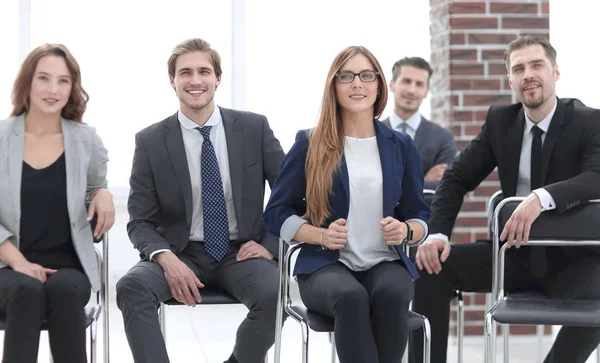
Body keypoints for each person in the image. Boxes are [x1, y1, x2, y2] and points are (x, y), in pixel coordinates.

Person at [409, 35, 600, 363]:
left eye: (537, 65)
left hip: (573, 261)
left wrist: (541, 197)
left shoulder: (588, 120)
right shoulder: (500, 121)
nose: (528, 74)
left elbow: (596, 177)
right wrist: (437, 233)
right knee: (430, 267)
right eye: (519, 68)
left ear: (555, 72)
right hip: (513, 256)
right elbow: (455, 178)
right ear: (510, 79)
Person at [116, 38, 285, 363]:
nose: (195, 81)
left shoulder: (254, 128)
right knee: (131, 287)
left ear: (218, 78)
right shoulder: (150, 141)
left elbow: (290, 195)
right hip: (180, 252)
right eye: (186, 72)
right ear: (172, 80)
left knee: (276, 291)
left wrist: (270, 244)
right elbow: (140, 221)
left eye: (204, 71)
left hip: (242, 252)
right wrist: (166, 258)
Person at [263, 45, 431, 363]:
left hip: (385, 262)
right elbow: (275, 214)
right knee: (350, 297)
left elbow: (420, 214)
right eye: (347, 76)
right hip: (325, 266)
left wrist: (407, 231)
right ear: (334, 86)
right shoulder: (309, 143)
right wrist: (320, 235)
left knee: (394, 293)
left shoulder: (401, 146)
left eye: (367, 75)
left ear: (380, 85)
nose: (358, 83)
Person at [0, 43, 114, 363]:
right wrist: (20, 263)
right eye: (44, 78)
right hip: (7, 264)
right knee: (27, 290)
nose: (53, 89)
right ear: (28, 83)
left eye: (63, 81)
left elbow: (95, 186)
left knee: (63, 291)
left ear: (72, 87)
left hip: (68, 264)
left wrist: (102, 194)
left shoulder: (86, 139)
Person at [381, 57, 456, 189]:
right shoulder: (373, 133)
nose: (412, 90)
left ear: (427, 91)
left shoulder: (443, 138)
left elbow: (446, 189)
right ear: (392, 84)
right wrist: (423, 181)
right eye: (406, 81)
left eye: (419, 84)